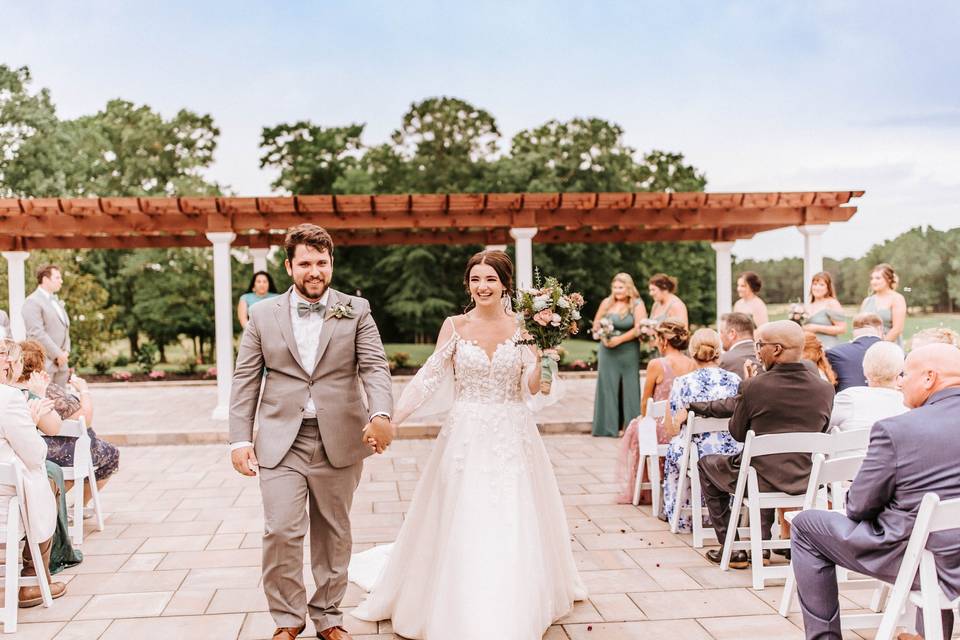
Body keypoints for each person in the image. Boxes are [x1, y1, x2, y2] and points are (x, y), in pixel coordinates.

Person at [349, 250, 586, 640]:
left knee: (513, 510)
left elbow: (529, 388)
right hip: (466, 434)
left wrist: (543, 363)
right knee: (465, 509)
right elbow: (428, 379)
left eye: (490, 279)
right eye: (475, 279)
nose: (482, 287)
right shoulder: (454, 326)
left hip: (513, 431)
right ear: (468, 284)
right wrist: (389, 419)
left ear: (505, 284)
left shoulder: (525, 327)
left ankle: (514, 601)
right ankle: (457, 597)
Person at [229, 224, 395, 640]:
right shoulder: (263, 314)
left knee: (334, 530)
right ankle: (287, 619)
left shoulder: (357, 309)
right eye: (305, 263)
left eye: (322, 262)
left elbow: (375, 366)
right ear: (289, 266)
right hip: (280, 439)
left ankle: (328, 615)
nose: (314, 270)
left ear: (331, 264)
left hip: (339, 436)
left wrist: (381, 413)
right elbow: (245, 378)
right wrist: (238, 439)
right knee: (281, 529)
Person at [791, 343, 960, 640]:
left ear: (929, 378)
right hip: (948, 549)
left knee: (806, 525)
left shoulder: (897, 430)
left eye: (905, 373)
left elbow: (858, 507)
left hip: (925, 561)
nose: (900, 381)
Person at [687, 321, 834, 568]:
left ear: (776, 349)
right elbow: (822, 431)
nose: (757, 351)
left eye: (760, 345)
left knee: (707, 464)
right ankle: (761, 547)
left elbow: (737, 433)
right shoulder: (825, 389)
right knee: (759, 464)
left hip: (759, 479)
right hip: (806, 477)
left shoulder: (753, 386)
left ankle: (732, 549)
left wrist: (748, 393)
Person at [0, 343, 67, 607]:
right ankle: (33, 580)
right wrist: (29, 421)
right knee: (45, 484)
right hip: (6, 506)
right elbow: (35, 455)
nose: (6, 361)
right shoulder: (8, 398)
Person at [17, 340, 120, 511]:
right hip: (52, 456)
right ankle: (76, 507)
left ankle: (55, 505)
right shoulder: (48, 391)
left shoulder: (11, 389)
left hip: (29, 453)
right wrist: (84, 390)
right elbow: (85, 420)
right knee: (109, 453)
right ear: (41, 362)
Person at [661, 329, 741, 532]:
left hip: (696, 454)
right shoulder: (735, 380)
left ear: (691, 352)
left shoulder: (683, 383)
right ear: (719, 352)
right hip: (732, 454)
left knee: (674, 449)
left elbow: (672, 430)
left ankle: (684, 521)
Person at [614, 321, 695, 506]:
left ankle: (641, 487)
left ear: (664, 341)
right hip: (683, 427)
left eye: (656, 339)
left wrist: (644, 418)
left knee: (636, 427)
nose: (656, 343)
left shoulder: (657, 364)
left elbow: (646, 401)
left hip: (662, 429)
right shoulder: (692, 364)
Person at [591, 273, 647, 437]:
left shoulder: (637, 304)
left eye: (621, 287)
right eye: (615, 287)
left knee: (630, 386)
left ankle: (631, 428)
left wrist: (619, 339)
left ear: (629, 287)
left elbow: (639, 328)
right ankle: (607, 428)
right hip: (607, 351)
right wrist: (603, 336)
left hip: (628, 350)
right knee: (607, 386)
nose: (617, 291)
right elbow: (596, 324)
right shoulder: (606, 303)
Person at [829, 342, 907, 444]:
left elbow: (822, 428)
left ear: (865, 370)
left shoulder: (848, 398)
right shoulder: (907, 404)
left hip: (849, 459)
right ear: (899, 371)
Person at [22, 264, 71, 387]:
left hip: (62, 364)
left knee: (62, 404)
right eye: (57, 277)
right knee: (45, 402)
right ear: (45, 279)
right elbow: (36, 333)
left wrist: (65, 352)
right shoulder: (32, 301)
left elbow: (65, 328)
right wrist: (57, 354)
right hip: (45, 364)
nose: (61, 281)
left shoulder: (56, 301)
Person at [825, 313, 884, 391]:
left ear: (854, 330)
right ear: (880, 328)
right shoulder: (896, 352)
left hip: (849, 400)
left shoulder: (835, 353)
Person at [861, 263, 906, 346]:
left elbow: (897, 329)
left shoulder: (897, 299)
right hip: (866, 346)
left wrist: (880, 345)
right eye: (872, 278)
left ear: (888, 279)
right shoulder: (867, 301)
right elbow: (860, 325)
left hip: (889, 346)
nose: (873, 282)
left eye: (878, 278)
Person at [803, 271, 846, 349]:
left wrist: (816, 328)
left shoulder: (832, 303)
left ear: (828, 287)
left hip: (827, 347)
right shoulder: (808, 305)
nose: (817, 287)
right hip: (809, 348)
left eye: (821, 285)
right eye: (815, 284)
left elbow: (841, 329)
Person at [718, 312, 760, 379]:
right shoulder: (767, 356)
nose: (720, 336)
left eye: (721, 332)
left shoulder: (724, 361)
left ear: (732, 333)